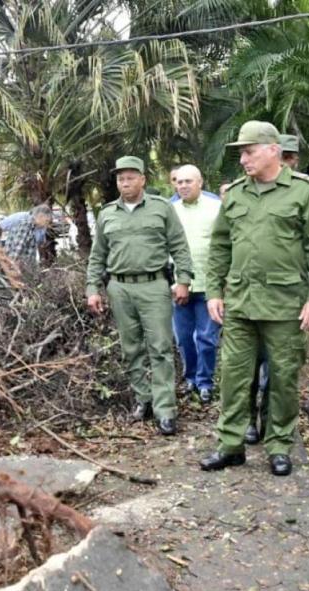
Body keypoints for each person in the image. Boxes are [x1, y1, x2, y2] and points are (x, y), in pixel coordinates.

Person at [200, 121, 309, 475]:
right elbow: (220, 246)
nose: (243, 159)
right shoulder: (237, 194)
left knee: (284, 378)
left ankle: (279, 445)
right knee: (233, 376)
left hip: (285, 304)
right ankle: (230, 445)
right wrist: (214, 291)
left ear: (273, 150)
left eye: (248, 151)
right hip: (241, 303)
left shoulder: (304, 192)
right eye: (241, 153)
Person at [86, 156, 194, 436]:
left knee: (159, 347)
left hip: (154, 285)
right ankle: (142, 400)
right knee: (131, 348)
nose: (125, 182)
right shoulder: (107, 213)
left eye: (131, 177)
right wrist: (92, 289)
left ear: (143, 180)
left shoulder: (161, 209)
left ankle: (165, 409)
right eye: (121, 178)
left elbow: (180, 246)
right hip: (119, 288)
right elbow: (98, 255)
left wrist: (183, 280)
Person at [170, 164, 222, 403]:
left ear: (200, 183)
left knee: (207, 338)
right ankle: (190, 377)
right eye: (179, 182)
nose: (183, 186)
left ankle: (205, 382)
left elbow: (225, 246)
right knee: (183, 338)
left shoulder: (216, 207)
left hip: (209, 286)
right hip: (179, 287)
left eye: (188, 181)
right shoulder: (170, 210)